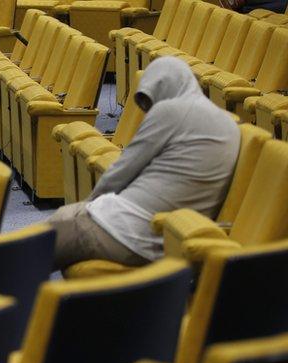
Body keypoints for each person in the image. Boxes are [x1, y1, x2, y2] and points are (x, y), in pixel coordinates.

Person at [47, 56, 239, 271]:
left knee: (33, 247)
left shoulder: (172, 110)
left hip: (131, 231)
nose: (150, 110)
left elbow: (123, 169)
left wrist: (90, 206)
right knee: (63, 215)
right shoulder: (226, 121)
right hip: (166, 232)